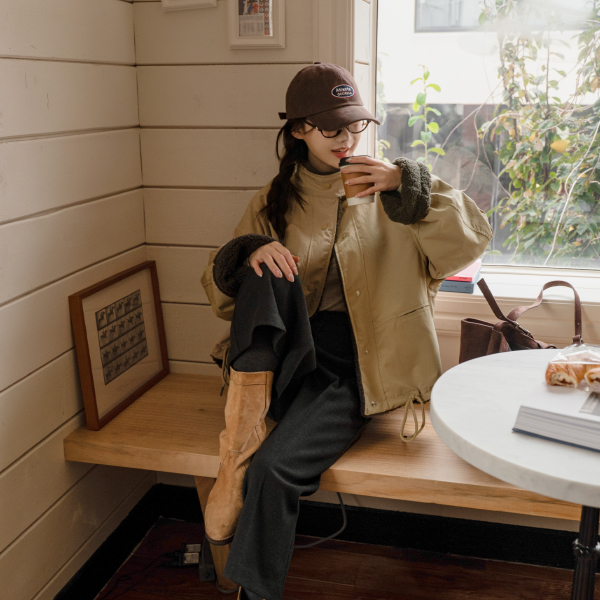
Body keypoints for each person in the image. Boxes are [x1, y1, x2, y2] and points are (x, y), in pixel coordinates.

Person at [200, 62, 493, 600]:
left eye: (356, 125)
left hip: (358, 367)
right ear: (299, 130)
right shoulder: (273, 200)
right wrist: (249, 254)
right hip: (285, 360)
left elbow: (469, 240)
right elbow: (223, 301)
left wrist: (407, 183)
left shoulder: (391, 190)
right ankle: (238, 449)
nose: (348, 139)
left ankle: (245, 571)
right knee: (259, 260)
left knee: (273, 469)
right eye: (332, 128)